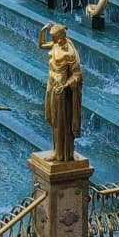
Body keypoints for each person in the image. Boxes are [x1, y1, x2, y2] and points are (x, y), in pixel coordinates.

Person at [37, 23, 84, 163]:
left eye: (54, 37)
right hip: (52, 85)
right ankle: (57, 150)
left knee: (61, 122)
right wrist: (42, 31)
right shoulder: (56, 44)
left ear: (60, 37)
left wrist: (65, 86)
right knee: (54, 119)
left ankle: (62, 153)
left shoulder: (69, 53)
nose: (53, 40)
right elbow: (41, 45)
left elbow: (77, 75)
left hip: (61, 90)